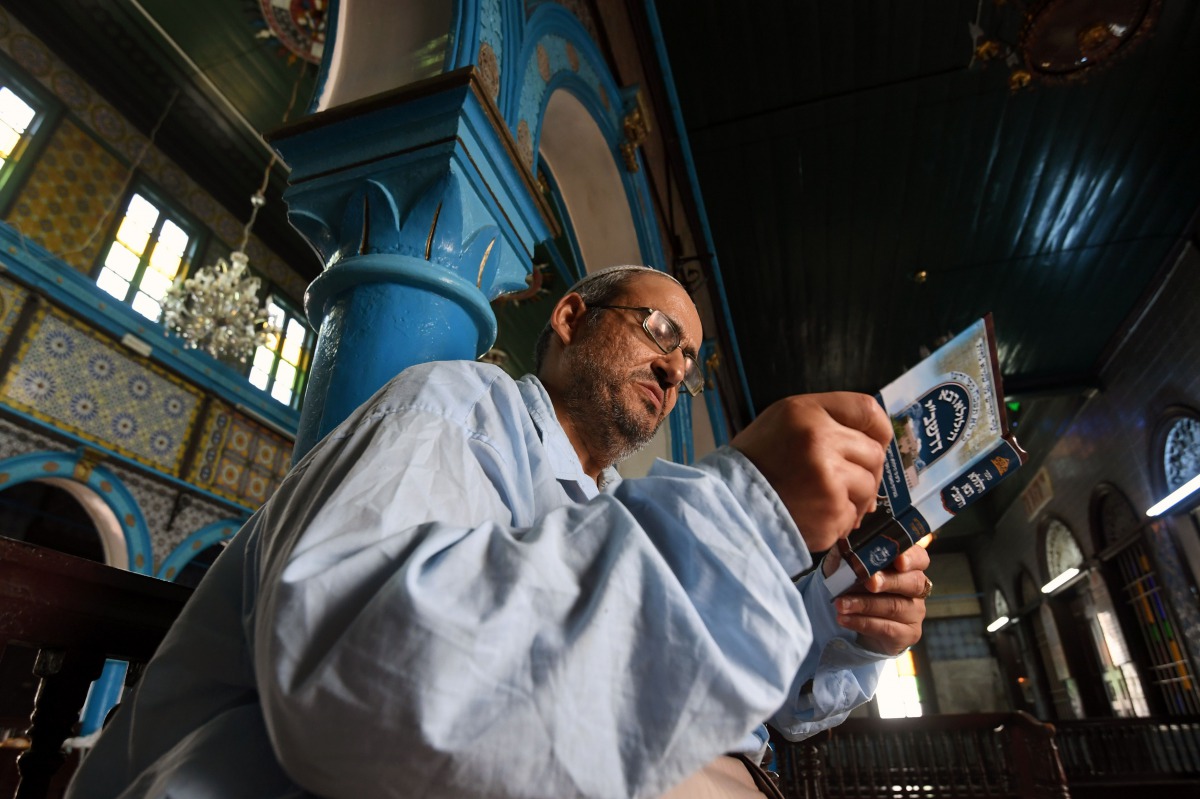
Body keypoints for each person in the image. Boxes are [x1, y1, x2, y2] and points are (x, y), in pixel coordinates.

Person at [66, 265, 929, 799]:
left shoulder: (611, 506)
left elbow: (726, 691)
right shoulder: (451, 405)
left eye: (690, 365)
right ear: (569, 318)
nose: (675, 366)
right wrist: (740, 506)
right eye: (661, 331)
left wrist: (842, 617)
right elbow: (360, 691)